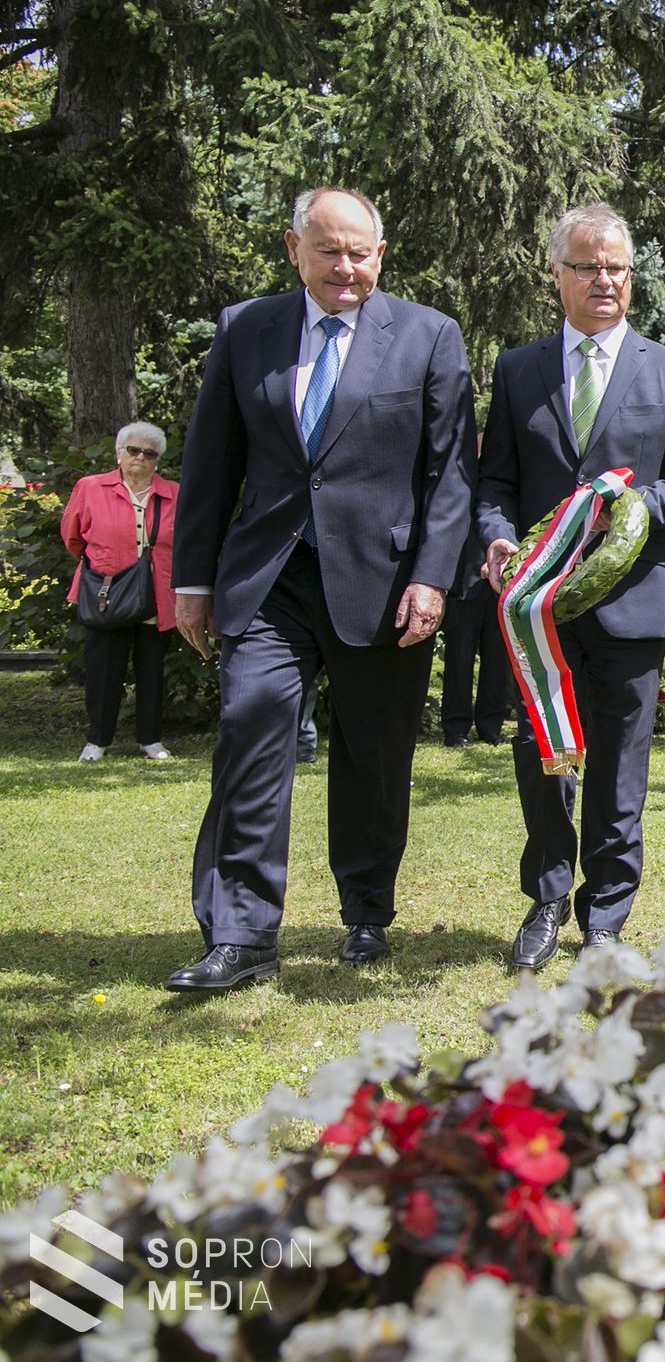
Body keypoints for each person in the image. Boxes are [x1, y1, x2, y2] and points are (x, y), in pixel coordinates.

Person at [167, 186, 475, 991]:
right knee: (249, 730)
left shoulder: (429, 336)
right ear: (294, 249)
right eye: (330, 250)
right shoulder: (247, 330)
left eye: (361, 252)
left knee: (374, 756)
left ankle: (366, 914)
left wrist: (433, 580)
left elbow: (451, 478)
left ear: (381, 253)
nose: (346, 267)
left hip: (385, 586)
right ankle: (240, 935)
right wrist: (192, 581)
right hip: (268, 578)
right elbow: (209, 466)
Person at [478, 203, 665, 970]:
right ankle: (547, 900)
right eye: (588, 266)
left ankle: (606, 917)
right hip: (538, 607)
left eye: (617, 266)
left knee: (620, 762)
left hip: (632, 599)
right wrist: (497, 534)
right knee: (544, 754)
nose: (605, 280)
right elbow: (495, 481)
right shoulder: (517, 370)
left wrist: (648, 504)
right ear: (557, 276)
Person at [62, 422, 179, 762]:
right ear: (119, 452)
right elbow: (73, 536)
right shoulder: (91, 487)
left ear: (158, 459)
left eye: (149, 452)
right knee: (103, 670)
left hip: (157, 594)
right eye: (133, 450)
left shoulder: (175, 493)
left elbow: (185, 542)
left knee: (152, 669)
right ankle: (97, 741)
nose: (140, 457)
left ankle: (150, 740)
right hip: (107, 591)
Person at [439, 525, 514, 747]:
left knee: (497, 660)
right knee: (459, 659)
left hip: (499, 586)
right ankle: (455, 728)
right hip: (463, 583)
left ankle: (490, 726)